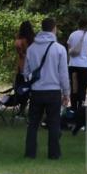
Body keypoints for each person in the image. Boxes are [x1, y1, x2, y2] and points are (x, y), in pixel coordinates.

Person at [23, 17, 70, 160]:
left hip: (36, 91)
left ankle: (30, 153)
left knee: (33, 124)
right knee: (54, 123)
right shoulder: (59, 49)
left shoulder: (31, 48)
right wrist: (66, 93)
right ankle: (54, 154)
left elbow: (26, 72)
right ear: (54, 28)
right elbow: (63, 74)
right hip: (53, 90)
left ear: (41, 28)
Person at [66, 17, 87, 134]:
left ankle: (72, 112)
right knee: (82, 90)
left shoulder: (72, 35)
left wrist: (69, 63)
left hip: (73, 65)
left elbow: (69, 50)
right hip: (84, 66)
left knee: (74, 90)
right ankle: (80, 113)